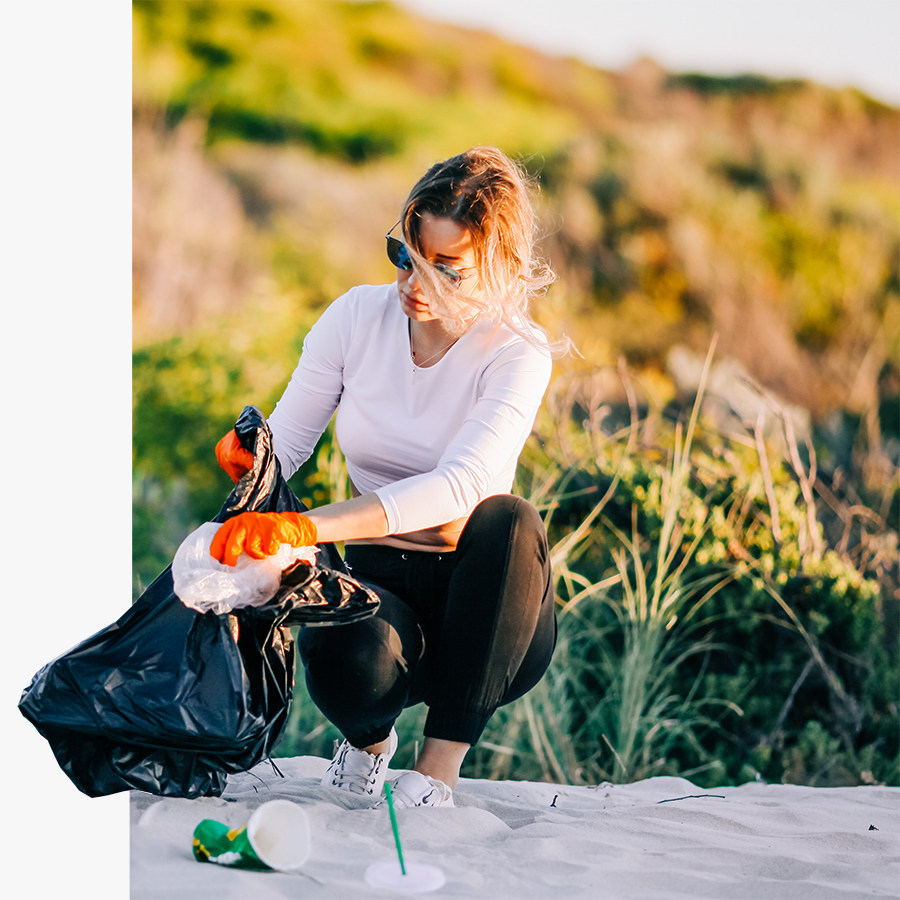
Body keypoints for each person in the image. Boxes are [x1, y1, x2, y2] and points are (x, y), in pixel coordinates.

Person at [211, 146, 562, 809]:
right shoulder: (354, 317)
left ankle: (437, 773)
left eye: (446, 271)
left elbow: (460, 486)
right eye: (406, 255)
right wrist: (253, 463)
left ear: (500, 270)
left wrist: (304, 524)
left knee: (510, 519)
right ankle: (370, 744)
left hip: (486, 609)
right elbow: (288, 441)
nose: (414, 285)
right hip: (381, 581)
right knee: (338, 633)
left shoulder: (519, 353)